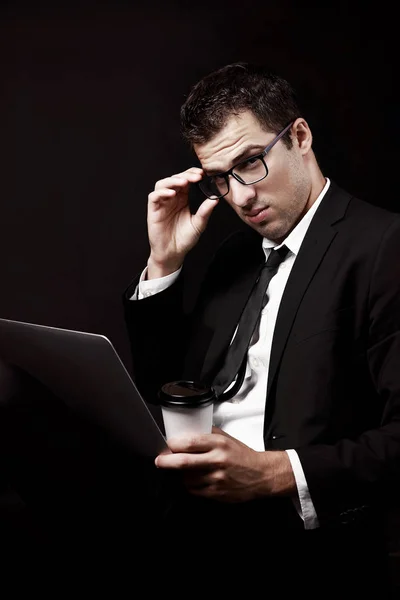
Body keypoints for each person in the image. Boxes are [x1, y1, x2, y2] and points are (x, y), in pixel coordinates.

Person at [123, 62, 400, 595]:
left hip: (302, 546)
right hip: (194, 528)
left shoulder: (384, 247)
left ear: (299, 136)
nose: (241, 197)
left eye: (250, 164)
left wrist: (276, 474)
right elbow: (167, 394)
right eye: (220, 180)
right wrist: (163, 264)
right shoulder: (233, 256)